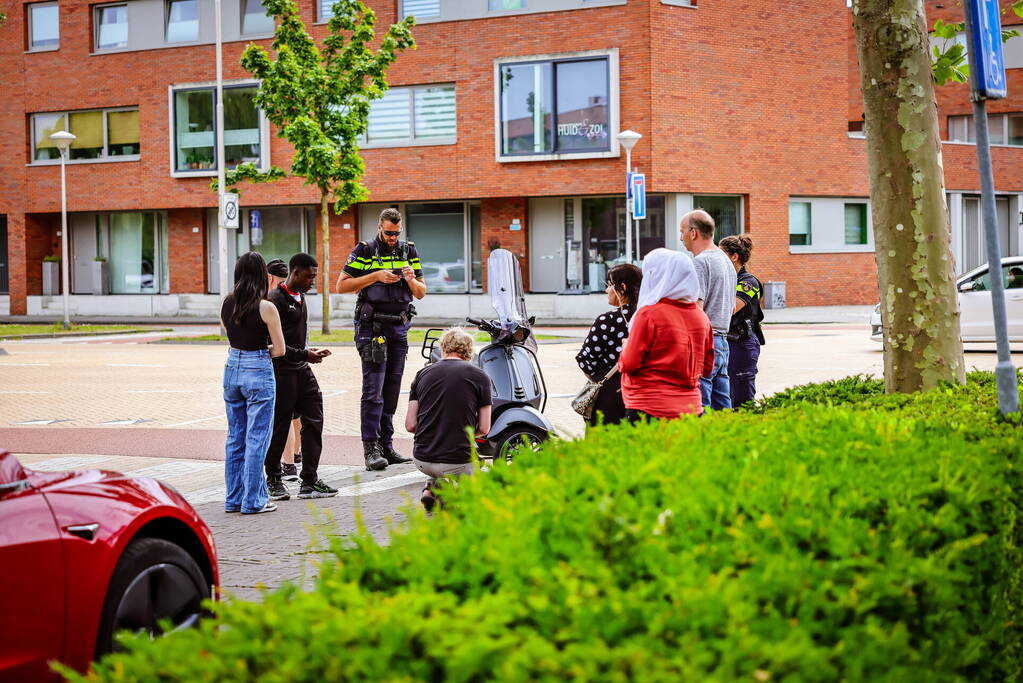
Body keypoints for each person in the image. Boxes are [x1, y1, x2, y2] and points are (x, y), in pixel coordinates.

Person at [336, 207, 426, 471]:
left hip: (398, 327)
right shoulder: (364, 250)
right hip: (371, 327)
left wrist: (410, 279)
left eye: (396, 233)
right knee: (373, 390)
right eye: (388, 233)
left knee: (392, 388)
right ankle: (371, 448)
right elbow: (341, 285)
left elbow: (421, 292)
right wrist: (375, 276)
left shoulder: (409, 250)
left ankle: (387, 445)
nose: (392, 238)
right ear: (379, 228)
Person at [264, 253, 338, 501]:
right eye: (310, 276)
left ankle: (310, 480)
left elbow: (296, 340)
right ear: (295, 273)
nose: (313, 282)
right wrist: (305, 354)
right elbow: (276, 346)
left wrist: (309, 351)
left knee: (314, 418)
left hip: (301, 369)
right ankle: (273, 478)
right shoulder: (274, 299)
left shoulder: (301, 298)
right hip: (282, 371)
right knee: (280, 424)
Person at [221, 252, 286, 515]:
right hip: (257, 369)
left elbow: (232, 337)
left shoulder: (226, 303)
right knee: (257, 437)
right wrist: (260, 352)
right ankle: (253, 500)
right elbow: (279, 349)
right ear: (263, 275)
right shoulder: (267, 307)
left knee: (235, 437)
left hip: (231, 369)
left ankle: (233, 498)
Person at [618, 248, 714, 421]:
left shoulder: (648, 315)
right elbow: (707, 368)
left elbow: (629, 364)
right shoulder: (702, 318)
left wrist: (626, 347)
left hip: (648, 407)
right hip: (692, 409)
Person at [405, 328, 492, 511]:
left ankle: (431, 488)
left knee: (440, 459)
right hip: (458, 461)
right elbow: (484, 428)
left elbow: (410, 425)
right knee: (473, 472)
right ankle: (453, 494)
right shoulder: (480, 377)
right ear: (469, 351)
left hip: (422, 459)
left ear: (443, 347)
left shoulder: (422, 374)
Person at [681, 209, 737, 411]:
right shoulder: (726, 261)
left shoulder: (700, 262)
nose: (681, 238)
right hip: (723, 340)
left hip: (705, 341)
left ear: (693, 233)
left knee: (700, 406)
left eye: (682, 232)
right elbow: (730, 308)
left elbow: (696, 309)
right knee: (723, 406)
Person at [575, 263, 642, 426]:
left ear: (622, 288)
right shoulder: (648, 317)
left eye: (610, 285)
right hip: (641, 394)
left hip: (609, 396)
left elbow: (586, 360)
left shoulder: (607, 320)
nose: (607, 290)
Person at [719, 235, 766, 408]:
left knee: (742, 399)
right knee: (725, 397)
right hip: (726, 342)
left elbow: (730, 309)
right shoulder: (726, 280)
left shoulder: (748, 282)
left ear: (734, 256)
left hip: (742, 343)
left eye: (721, 253)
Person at [268, 258, 302, 481]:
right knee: (296, 414)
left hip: (282, 363)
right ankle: (297, 455)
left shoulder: (272, 301)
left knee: (284, 415)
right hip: (300, 361)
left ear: (269, 278)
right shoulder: (296, 296)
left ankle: (288, 464)